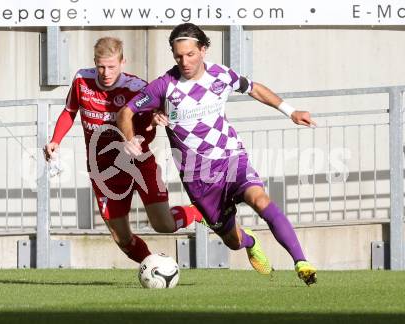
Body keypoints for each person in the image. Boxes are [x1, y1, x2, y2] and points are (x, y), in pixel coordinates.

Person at [117, 23, 317, 285]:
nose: (184, 61)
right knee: (232, 241)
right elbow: (126, 112)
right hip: (198, 177)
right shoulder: (164, 86)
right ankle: (250, 241)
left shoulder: (221, 75)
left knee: (260, 200)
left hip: (231, 159)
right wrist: (130, 139)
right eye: (178, 56)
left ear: (203, 50)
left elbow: (254, 88)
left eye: (190, 54)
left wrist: (290, 111)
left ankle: (301, 261)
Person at [44, 36, 202, 265]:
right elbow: (70, 111)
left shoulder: (137, 87)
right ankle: (154, 267)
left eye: (111, 67)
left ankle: (200, 212)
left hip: (138, 164)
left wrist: (148, 128)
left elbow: (149, 129)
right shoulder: (81, 80)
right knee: (122, 238)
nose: (106, 72)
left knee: (164, 225)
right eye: (101, 66)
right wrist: (55, 140)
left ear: (122, 62)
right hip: (103, 171)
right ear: (94, 63)